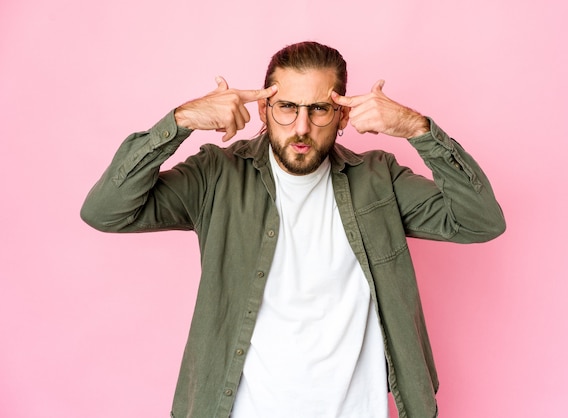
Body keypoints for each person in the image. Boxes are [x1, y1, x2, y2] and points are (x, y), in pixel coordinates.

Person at [81, 41, 505, 418]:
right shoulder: (216, 175)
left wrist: (418, 129)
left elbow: (479, 220)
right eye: (287, 107)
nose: (301, 127)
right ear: (264, 109)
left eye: (319, 109)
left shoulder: (379, 179)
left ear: (342, 116)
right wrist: (180, 121)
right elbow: (106, 211)